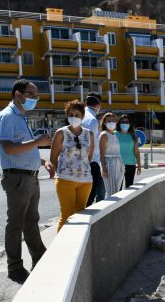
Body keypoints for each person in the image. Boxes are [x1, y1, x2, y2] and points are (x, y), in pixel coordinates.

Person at [0, 79, 54, 283]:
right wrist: (38, 142)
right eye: (32, 95)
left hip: (29, 177)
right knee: (16, 224)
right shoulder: (7, 116)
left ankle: (40, 258)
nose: (35, 99)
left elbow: (23, 149)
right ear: (18, 94)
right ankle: (15, 268)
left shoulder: (21, 117)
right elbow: (9, 148)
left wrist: (42, 160)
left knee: (31, 222)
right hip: (17, 178)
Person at [51, 100, 94, 232]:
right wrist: (63, 172)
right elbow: (53, 158)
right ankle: (59, 250)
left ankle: (75, 248)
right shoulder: (61, 133)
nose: (74, 117)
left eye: (77, 114)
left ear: (82, 116)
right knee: (66, 216)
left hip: (85, 181)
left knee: (80, 215)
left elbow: (89, 157)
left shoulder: (89, 134)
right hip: (65, 180)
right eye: (71, 114)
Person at [84, 93, 105, 206]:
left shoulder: (82, 115)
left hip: (88, 162)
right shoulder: (92, 120)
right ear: (98, 105)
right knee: (90, 197)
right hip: (92, 163)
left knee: (98, 192)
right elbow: (90, 143)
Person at [99, 112, 124, 195]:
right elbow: (101, 152)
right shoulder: (104, 135)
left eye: (113, 120)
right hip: (109, 164)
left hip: (118, 164)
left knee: (117, 191)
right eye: (108, 121)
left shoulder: (114, 134)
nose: (111, 122)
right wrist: (104, 168)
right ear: (104, 122)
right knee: (111, 191)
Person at [116, 114, 141, 188]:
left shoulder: (133, 135)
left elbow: (136, 151)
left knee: (129, 188)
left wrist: (139, 164)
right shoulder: (114, 134)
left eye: (127, 122)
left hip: (131, 165)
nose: (125, 123)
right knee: (118, 188)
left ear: (130, 124)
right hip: (117, 165)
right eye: (122, 122)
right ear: (119, 123)